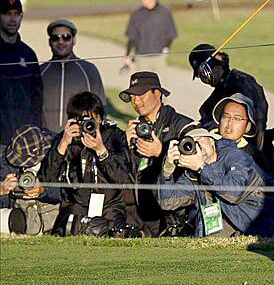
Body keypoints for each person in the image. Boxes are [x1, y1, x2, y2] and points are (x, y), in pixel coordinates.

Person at [157, 124, 274, 238]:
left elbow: (234, 193)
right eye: (192, 144)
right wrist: (167, 169)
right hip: (233, 234)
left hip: (271, 228)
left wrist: (202, 168)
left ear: (212, 141)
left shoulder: (236, 156)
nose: (198, 146)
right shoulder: (192, 173)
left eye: (201, 140)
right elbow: (167, 201)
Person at [39, 92, 131, 236]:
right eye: (82, 121)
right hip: (76, 205)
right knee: (66, 234)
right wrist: (63, 145)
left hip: (110, 205)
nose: (88, 126)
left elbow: (123, 178)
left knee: (115, 234)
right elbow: (47, 180)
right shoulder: (66, 139)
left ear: (100, 119)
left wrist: (101, 151)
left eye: (92, 121)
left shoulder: (115, 137)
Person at [119, 71, 192, 237]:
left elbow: (196, 169)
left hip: (171, 216)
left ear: (157, 93)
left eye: (141, 95)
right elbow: (123, 174)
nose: (136, 101)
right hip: (138, 214)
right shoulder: (137, 129)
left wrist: (161, 152)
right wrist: (126, 146)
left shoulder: (180, 125)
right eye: (132, 97)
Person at [188, 44, 269, 150]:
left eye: (202, 75)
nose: (204, 80)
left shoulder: (241, 84)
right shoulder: (223, 87)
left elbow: (244, 122)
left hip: (243, 150)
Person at [41, 19, 106, 133]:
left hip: (79, 142)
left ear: (74, 40)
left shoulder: (89, 70)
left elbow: (101, 111)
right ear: (49, 42)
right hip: (46, 143)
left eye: (66, 37)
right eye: (55, 38)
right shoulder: (40, 72)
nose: (60, 42)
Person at [0, 0, 42, 150]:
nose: (12, 19)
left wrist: (34, 135)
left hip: (24, 142)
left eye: (16, 14)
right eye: (7, 14)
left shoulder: (29, 54)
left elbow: (37, 100)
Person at [0, 125, 60, 235]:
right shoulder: (7, 161)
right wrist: (2, 191)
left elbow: (71, 192)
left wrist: (43, 190)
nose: (24, 167)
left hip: (54, 220)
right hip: (19, 219)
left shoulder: (58, 151)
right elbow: (3, 205)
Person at [212, 93, 274, 182]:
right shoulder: (206, 142)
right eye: (226, 116)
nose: (229, 123)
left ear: (248, 127)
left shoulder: (254, 156)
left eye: (237, 119)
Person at [122, 0, 177, 72]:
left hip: (159, 58)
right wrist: (127, 56)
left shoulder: (164, 13)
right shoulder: (136, 14)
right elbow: (131, 37)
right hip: (141, 58)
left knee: (159, 85)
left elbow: (171, 34)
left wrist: (166, 48)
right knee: (142, 85)